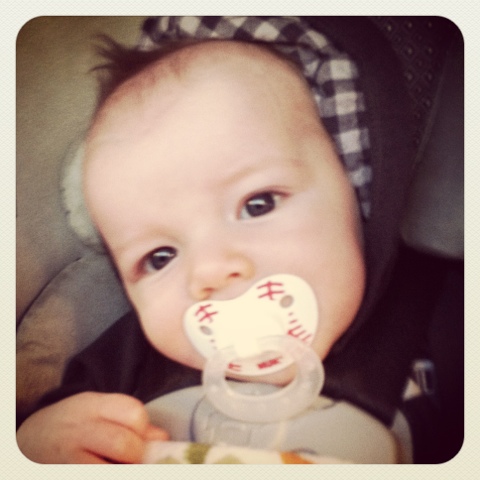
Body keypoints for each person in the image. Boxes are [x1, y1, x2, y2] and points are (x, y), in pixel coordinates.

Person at [19, 16, 451, 463]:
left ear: (356, 182)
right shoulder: (123, 368)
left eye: (258, 205)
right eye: (160, 257)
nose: (209, 270)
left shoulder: (444, 314)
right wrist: (38, 447)